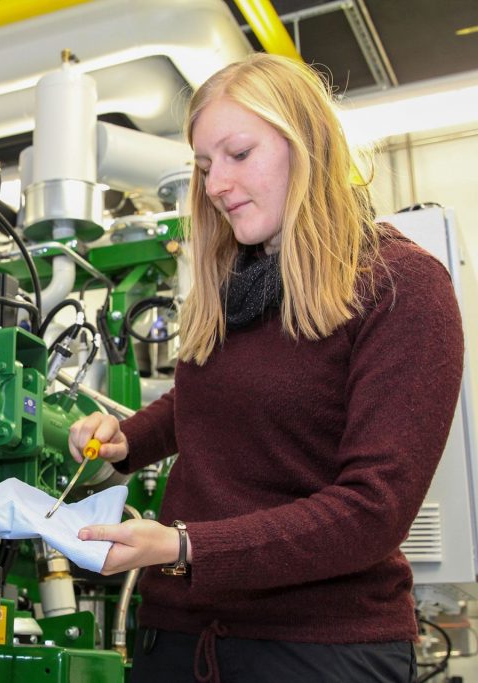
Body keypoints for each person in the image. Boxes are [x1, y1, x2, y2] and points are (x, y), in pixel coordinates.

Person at [69, 53, 464, 682]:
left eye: (238, 154)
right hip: (177, 638)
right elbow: (208, 399)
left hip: (316, 648)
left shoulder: (400, 284)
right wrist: (128, 442)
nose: (216, 185)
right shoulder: (237, 286)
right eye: (203, 166)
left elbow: (374, 509)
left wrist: (187, 545)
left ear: (307, 147)